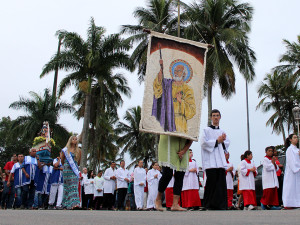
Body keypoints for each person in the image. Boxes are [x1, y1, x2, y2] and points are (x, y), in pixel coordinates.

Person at [152, 59, 196, 133]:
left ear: (184, 74)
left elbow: (192, 111)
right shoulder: (168, 84)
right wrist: (161, 70)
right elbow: (158, 89)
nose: (175, 73)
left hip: (180, 124)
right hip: (166, 121)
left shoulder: (188, 89)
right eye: (175, 71)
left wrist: (180, 101)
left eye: (178, 71)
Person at [155, 133, 192, 211]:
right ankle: (158, 199)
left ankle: (175, 204)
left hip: (182, 147)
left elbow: (192, 135)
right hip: (167, 145)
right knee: (167, 174)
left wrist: (184, 150)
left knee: (180, 175)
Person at [201, 109, 229, 210]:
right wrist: (217, 141)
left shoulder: (222, 131)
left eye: (217, 115)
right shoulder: (206, 130)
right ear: (210, 118)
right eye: (213, 115)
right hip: (211, 161)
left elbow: (227, 144)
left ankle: (221, 205)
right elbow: (204, 143)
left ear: (220, 117)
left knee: (221, 185)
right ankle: (208, 205)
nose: (216, 117)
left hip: (220, 161)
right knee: (211, 184)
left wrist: (223, 140)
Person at [61, 135, 81, 209]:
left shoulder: (79, 150)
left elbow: (79, 161)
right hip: (66, 170)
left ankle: (75, 204)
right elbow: (62, 160)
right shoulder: (65, 150)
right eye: (73, 139)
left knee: (74, 186)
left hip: (74, 170)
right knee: (67, 187)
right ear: (70, 140)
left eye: (76, 139)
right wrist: (66, 166)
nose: (75, 140)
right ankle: (66, 204)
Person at [282, 134, 300, 209]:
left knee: (297, 188)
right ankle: (288, 203)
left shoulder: (297, 149)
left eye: (297, 137)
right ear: (290, 140)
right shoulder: (290, 149)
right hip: (292, 172)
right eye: (294, 137)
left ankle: (297, 203)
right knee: (290, 187)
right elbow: (291, 161)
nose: (296, 139)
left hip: (298, 172)